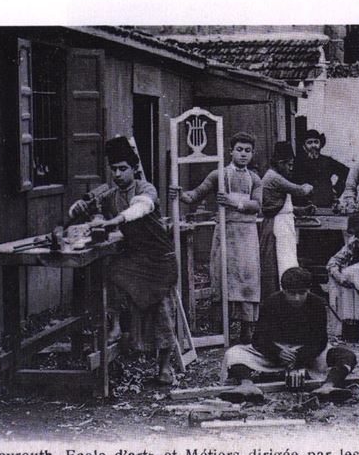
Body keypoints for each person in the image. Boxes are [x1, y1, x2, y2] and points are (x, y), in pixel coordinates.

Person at [68, 136, 178, 385]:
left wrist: (115, 221)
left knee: (163, 310)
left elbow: (140, 208)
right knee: (111, 273)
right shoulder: (111, 196)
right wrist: (78, 208)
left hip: (160, 259)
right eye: (113, 169)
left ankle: (164, 367)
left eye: (123, 168)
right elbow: (90, 208)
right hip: (135, 258)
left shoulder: (145, 190)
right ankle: (115, 327)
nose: (117, 174)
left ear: (134, 169)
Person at [170, 132, 263, 344]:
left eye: (247, 151)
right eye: (239, 150)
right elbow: (194, 195)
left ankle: (247, 329)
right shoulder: (218, 175)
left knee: (248, 279)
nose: (243, 155)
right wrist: (180, 194)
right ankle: (221, 328)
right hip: (225, 233)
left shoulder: (255, 179)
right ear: (231, 151)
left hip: (247, 235)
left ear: (252, 154)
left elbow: (257, 205)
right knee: (222, 275)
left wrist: (235, 202)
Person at [218, 267, 358, 403]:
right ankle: (246, 385)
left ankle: (329, 386)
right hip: (275, 351)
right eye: (291, 293)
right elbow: (259, 338)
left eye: (302, 293)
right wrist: (278, 352)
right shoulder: (271, 302)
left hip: (307, 352)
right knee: (234, 353)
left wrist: (300, 355)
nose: (297, 298)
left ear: (309, 290)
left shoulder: (317, 303)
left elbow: (320, 340)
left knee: (347, 356)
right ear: (283, 290)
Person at [259, 141, 314, 301]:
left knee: (287, 260)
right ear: (280, 163)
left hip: (284, 223)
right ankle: (285, 298)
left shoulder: (276, 177)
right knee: (283, 263)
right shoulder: (274, 177)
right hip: (277, 226)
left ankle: (289, 295)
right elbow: (301, 190)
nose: (291, 168)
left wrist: (300, 210)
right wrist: (309, 186)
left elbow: (282, 205)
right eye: (289, 165)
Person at [292, 129, 349, 208]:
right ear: (304, 146)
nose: (313, 145)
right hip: (304, 206)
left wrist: (336, 190)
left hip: (326, 204)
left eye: (316, 142)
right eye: (309, 142)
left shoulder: (327, 161)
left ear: (320, 144)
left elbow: (345, 171)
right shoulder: (297, 163)